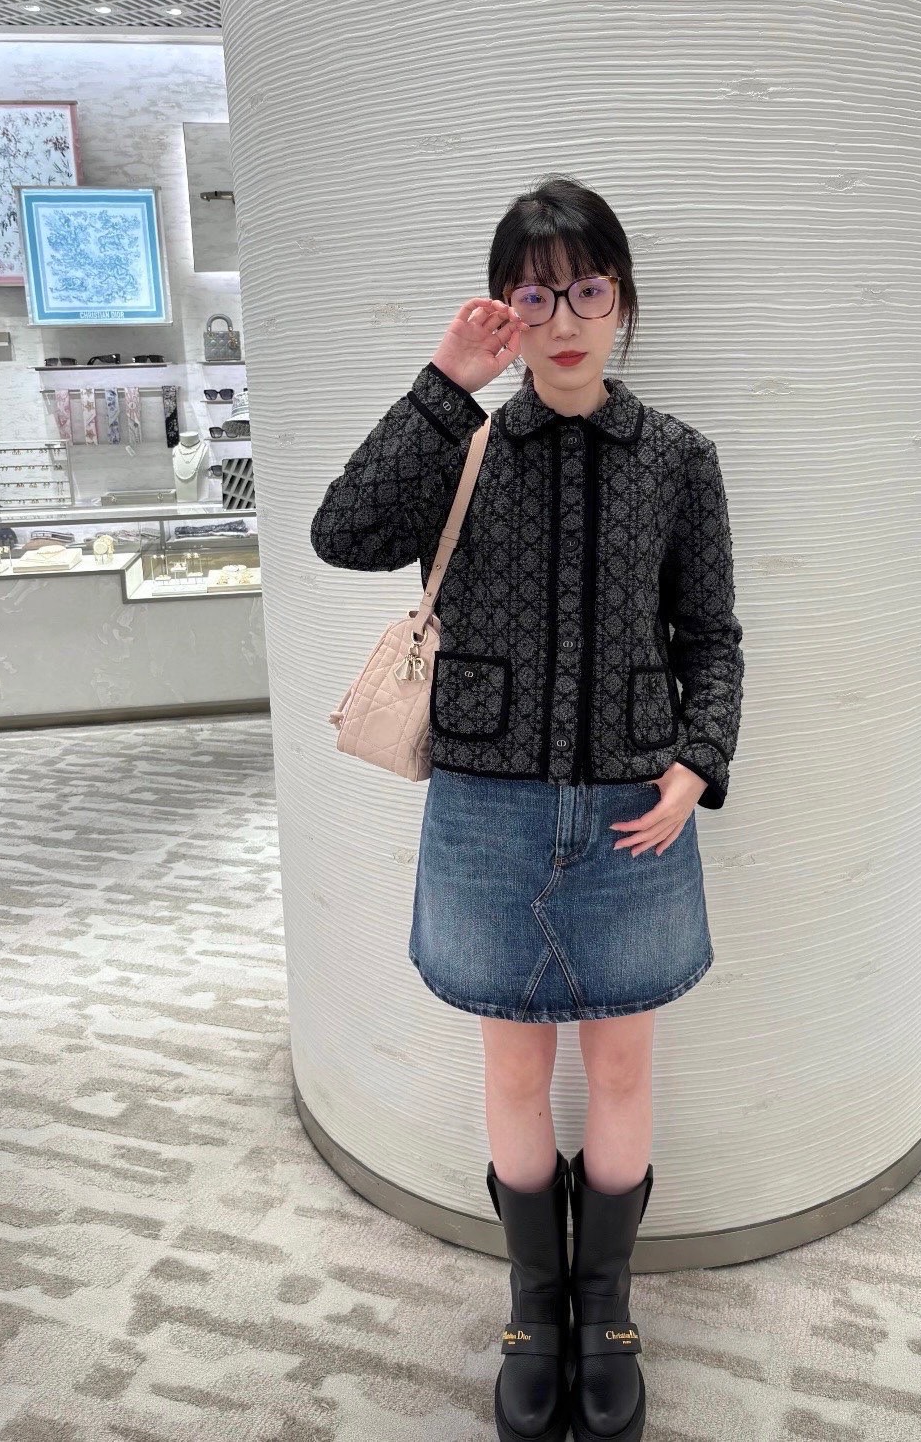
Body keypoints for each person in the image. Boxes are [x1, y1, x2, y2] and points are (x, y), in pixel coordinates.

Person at [310, 176, 744, 1442]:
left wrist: (696, 761)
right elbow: (342, 532)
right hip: (487, 812)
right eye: (536, 294)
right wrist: (446, 382)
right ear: (504, 306)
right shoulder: (467, 442)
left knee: (621, 1063)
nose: (564, 319)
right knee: (510, 1062)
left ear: (622, 303)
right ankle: (532, 1308)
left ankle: (604, 1312)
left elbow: (712, 636)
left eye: (587, 290)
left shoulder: (680, 459)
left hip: (632, 811)